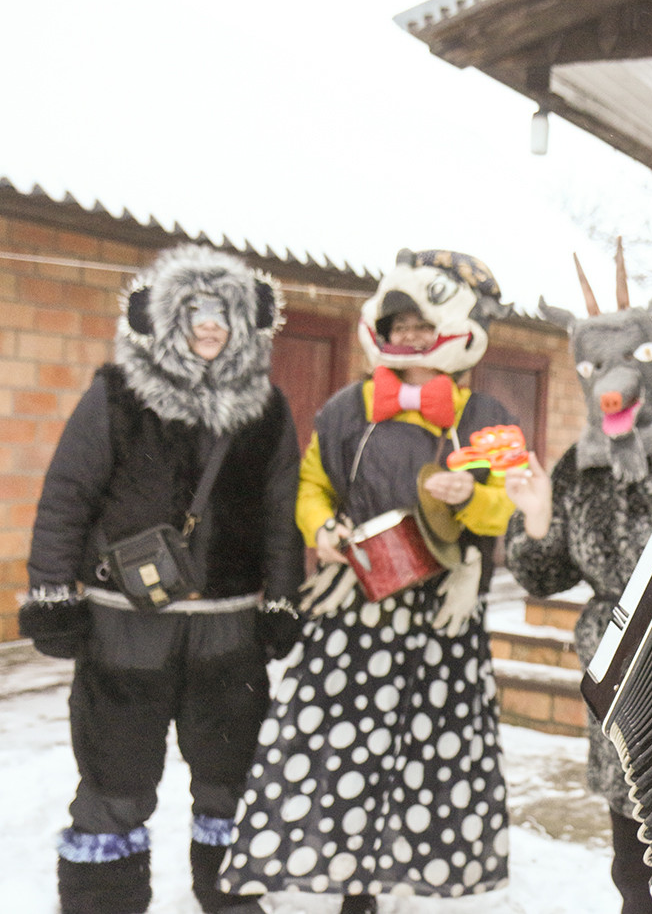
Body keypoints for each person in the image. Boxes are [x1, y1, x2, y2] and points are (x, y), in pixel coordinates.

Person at [216, 249, 518, 914]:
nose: (408, 337)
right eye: (398, 326)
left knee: (428, 753)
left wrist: (472, 497)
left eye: (421, 326)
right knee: (339, 748)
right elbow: (313, 486)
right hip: (358, 606)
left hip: (441, 613)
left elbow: (507, 505)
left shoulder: (487, 414)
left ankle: (403, 873)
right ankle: (351, 884)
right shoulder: (345, 409)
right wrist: (322, 529)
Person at [19, 244, 305, 914]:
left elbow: (281, 514)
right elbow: (67, 495)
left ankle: (231, 896)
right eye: (195, 311)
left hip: (227, 628)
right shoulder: (115, 394)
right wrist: (52, 592)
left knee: (230, 774)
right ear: (166, 319)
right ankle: (104, 902)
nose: (210, 325)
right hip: (125, 625)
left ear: (246, 323)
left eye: (224, 313)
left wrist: (283, 598)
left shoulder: (268, 409)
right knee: (116, 774)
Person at [503, 255, 652, 914]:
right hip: (620, 685)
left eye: (633, 357)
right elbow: (545, 574)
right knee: (635, 867)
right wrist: (537, 517)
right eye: (593, 368)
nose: (612, 383)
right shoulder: (582, 461)